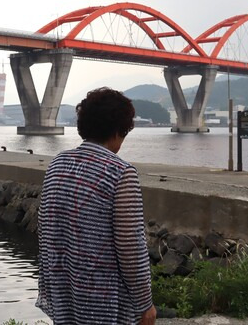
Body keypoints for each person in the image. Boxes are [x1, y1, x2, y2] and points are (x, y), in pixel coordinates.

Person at [36, 87, 156, 324]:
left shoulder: (57, 164)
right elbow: (131, 246)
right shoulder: (121, 173)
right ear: (118, 130)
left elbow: (45, 230)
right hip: (105, 301)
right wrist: (145, 304)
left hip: (63, 291)